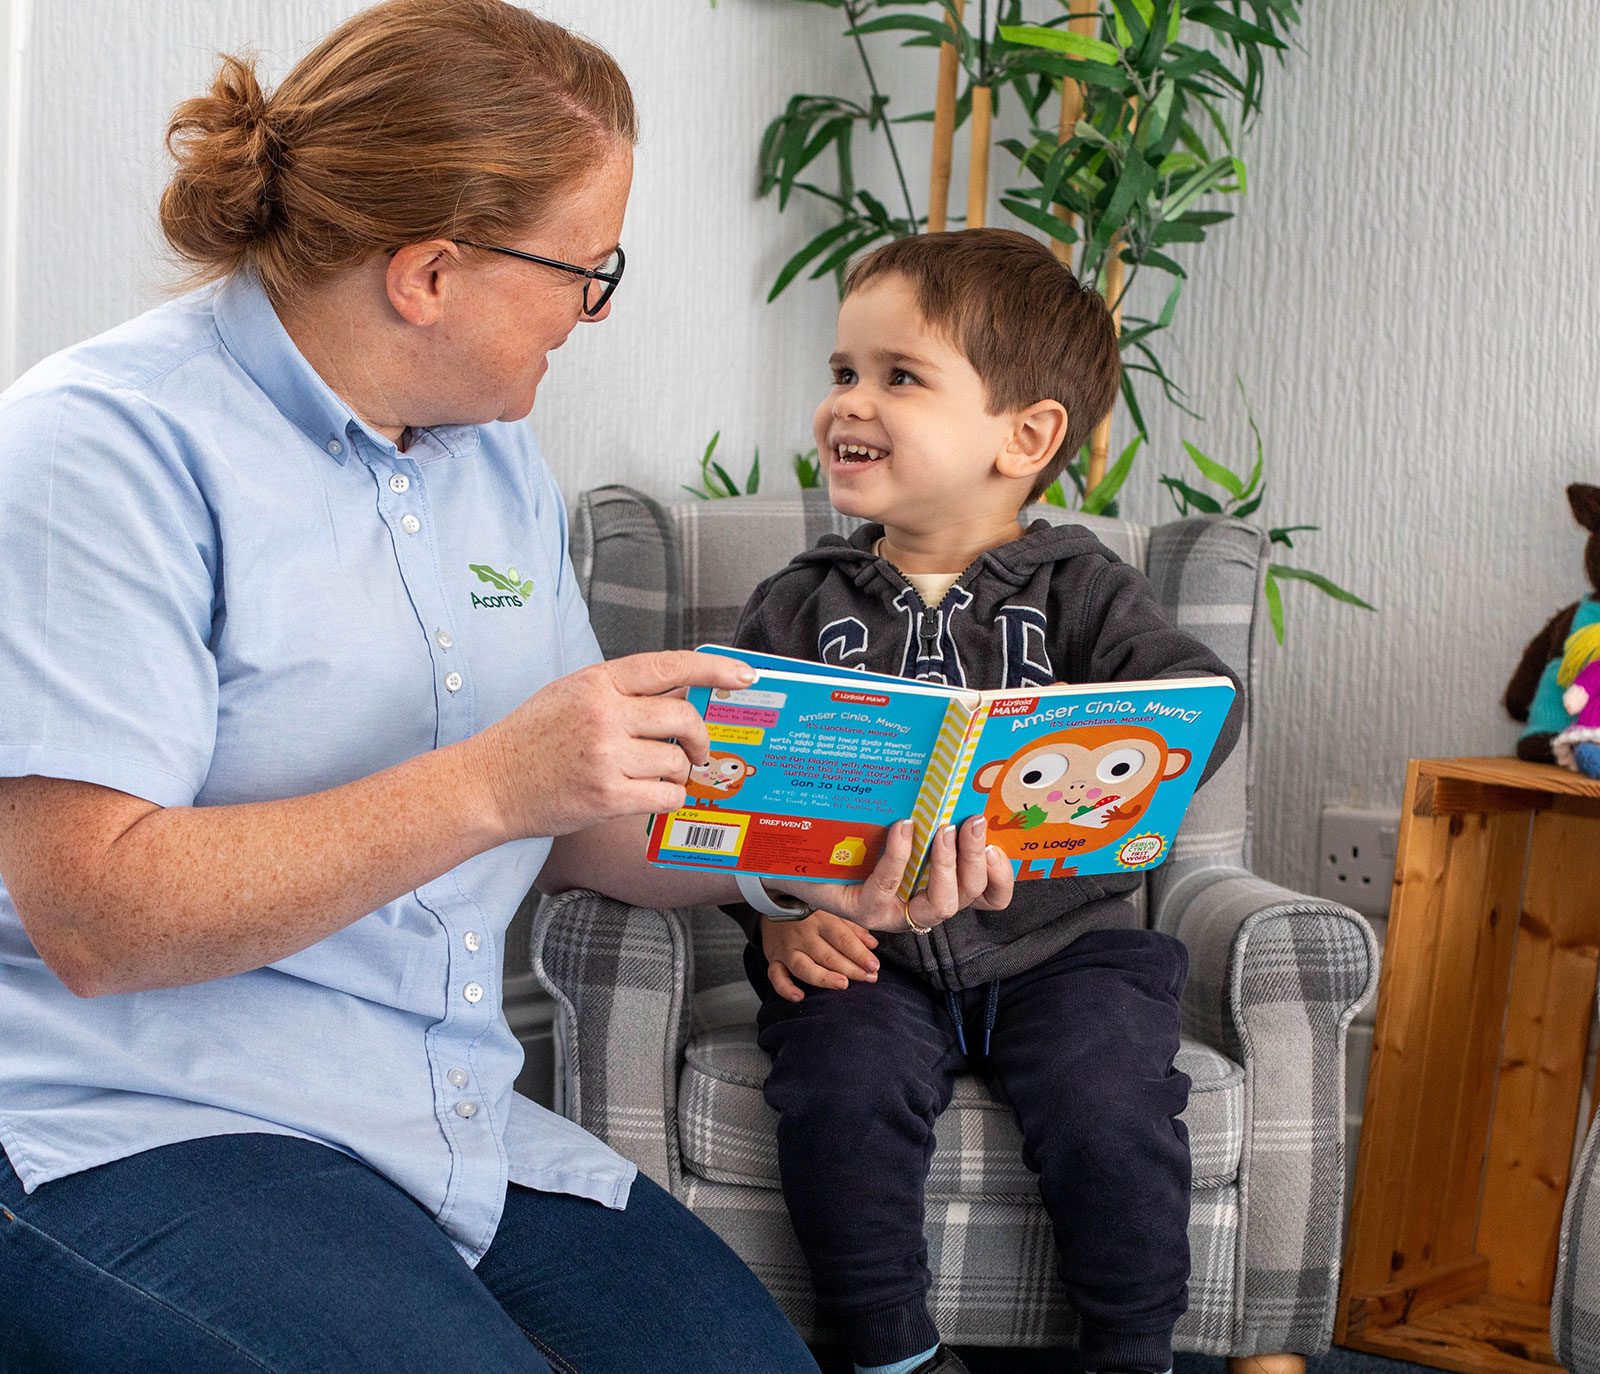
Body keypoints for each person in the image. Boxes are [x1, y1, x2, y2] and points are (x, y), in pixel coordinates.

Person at [0, 5, 1011, 1371]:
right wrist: (488, 781)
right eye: (586, 268)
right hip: (141, 1120)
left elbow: (581, 813)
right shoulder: (100, 450)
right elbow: (100, 919)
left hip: (441, 1112)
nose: (596, 306)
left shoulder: (488, 461)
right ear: (429, 272)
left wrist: (819, 857)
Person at [725, 228, 1247, 1374]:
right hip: (867, 946)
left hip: (1070, 944)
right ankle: (892, 1352)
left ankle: (1130, 1351)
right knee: (837, 1095)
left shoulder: (1087, 589)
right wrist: (774, 913)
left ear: (1026, 437)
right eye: (842, 373)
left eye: (898, 376)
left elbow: (1201, 707)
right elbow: (724, 789)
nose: (848, 403)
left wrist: (1104, 759)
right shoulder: (797, 604)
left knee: (1113, 1109)